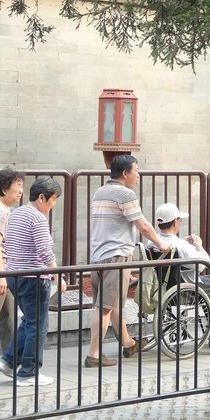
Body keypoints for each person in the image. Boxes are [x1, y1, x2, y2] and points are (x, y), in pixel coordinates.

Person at [88, 155, 168, 368]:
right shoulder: (125, 194)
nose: (138, 175)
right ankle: (94, 355)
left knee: (112, 304)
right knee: (105, 307)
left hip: (97, 256)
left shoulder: (99, 192)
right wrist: (161, 243)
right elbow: (143, 226)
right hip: (116, 256)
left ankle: (128, 343)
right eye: (136, 170)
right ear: (125, 173)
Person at [0, 176, 67, 386]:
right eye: (53, 200)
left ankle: (9, 361)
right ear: (42, 197)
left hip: (16, 276)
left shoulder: (16, 214)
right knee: (38, 325)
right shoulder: (37, 217)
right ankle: (29, 372)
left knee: (29, 321)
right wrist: (58, 274)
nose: (53, 205)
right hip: (34, 277)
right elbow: (45, 251)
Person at [0, 168, 25, 355]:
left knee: (8, 317)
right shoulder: (1, 212)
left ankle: (10, 360)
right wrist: (1, 276)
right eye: (18, 186)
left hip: (3, 271)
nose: (21, 191)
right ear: (5, 189)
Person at [151, 203, 210, 286]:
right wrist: (199, 246)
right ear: (175, 222)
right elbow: (204, 265)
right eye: (179, 220)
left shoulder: (151, 242)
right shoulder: (180, 245)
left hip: (159, 285)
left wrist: (183, 241)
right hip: (186, 287)